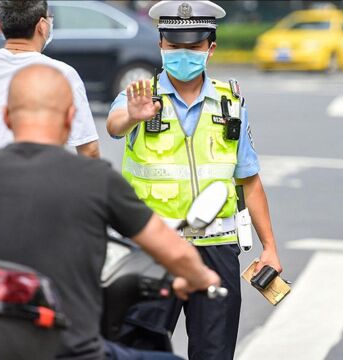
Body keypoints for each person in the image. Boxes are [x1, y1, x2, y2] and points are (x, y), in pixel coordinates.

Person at [0, 64, 221, 360]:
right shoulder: (96, 178)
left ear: (6, 117)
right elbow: (172, 250)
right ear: (70, 118)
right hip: (70, 352)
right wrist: (201, 278)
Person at [105, 1, 284, 359]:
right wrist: (132, 117)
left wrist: (270, 248)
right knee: (135, 351)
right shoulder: (138, 97)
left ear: (210, 48)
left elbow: (249, 180)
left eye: (192, 47)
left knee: (214, 354)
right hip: (152, 249)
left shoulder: (230, 104)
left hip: (216, 249)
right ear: (160, 45)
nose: (182, 54)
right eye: (174, 46)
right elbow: (114, 126)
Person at [0, 0, 100, 159]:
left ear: (0, 24)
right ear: (43, 25)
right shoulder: (62, 74)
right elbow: (89, 150)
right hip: (33, 177)